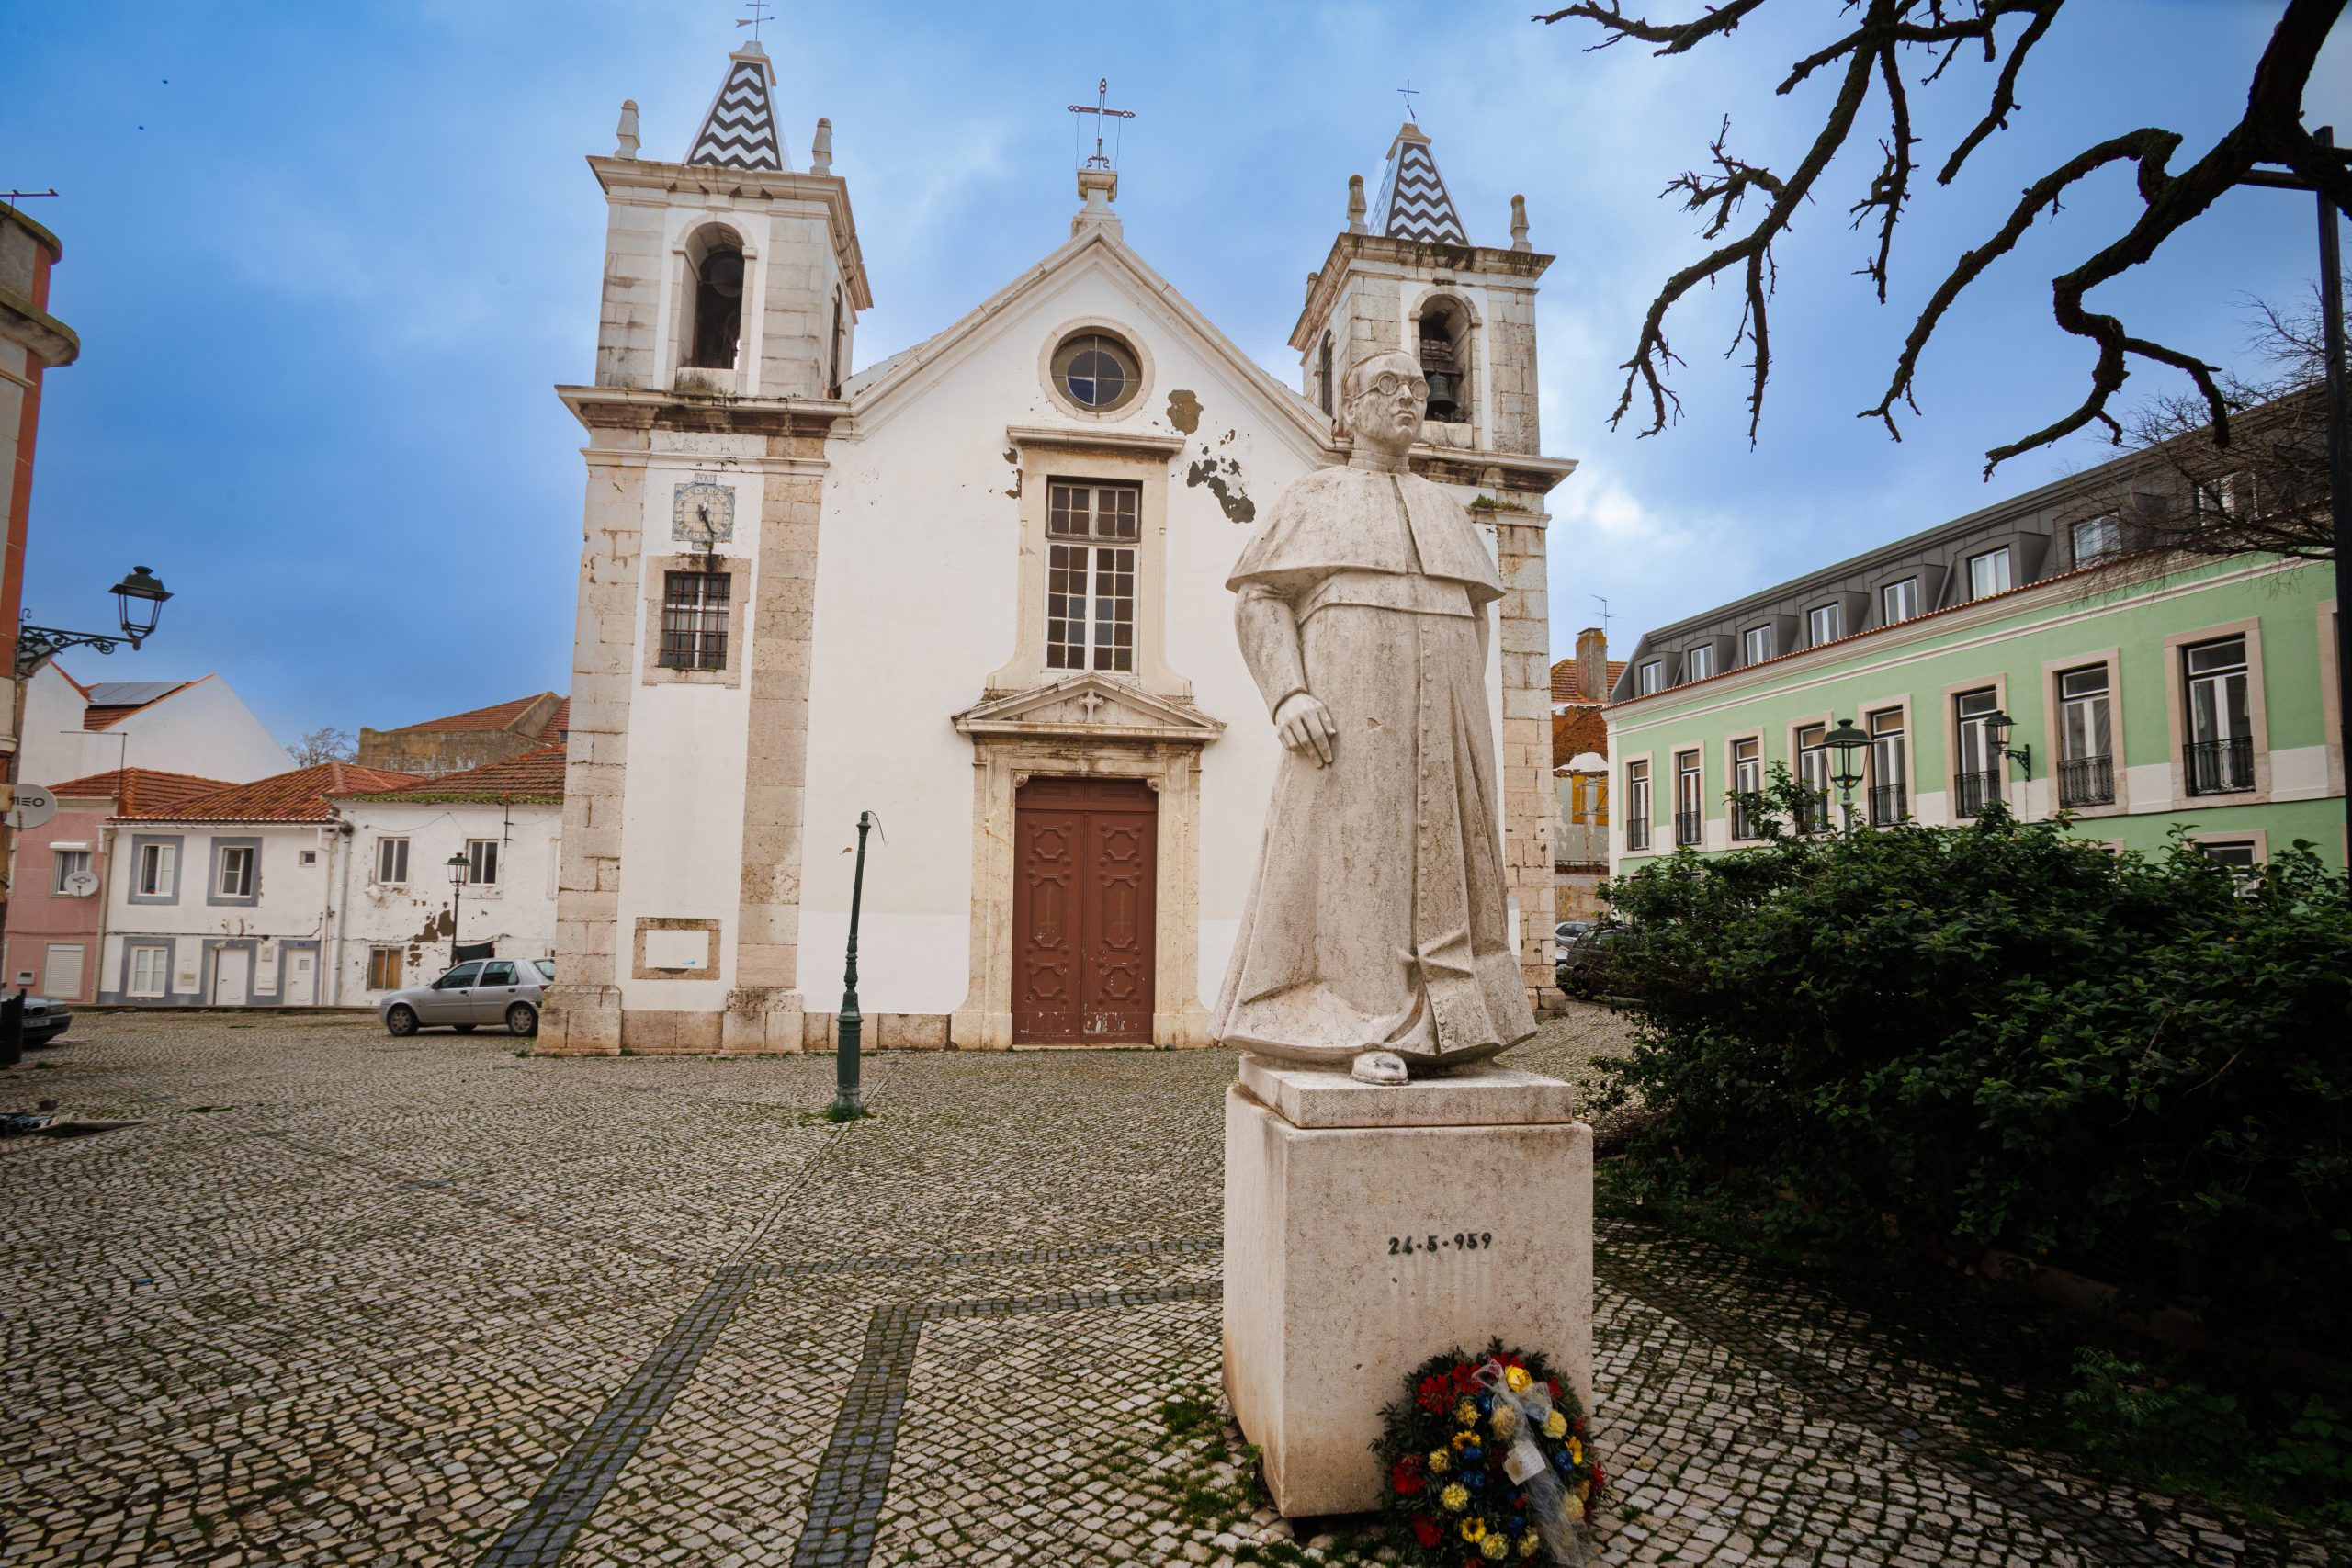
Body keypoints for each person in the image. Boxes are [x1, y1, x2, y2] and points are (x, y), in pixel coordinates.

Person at [1214, 349, 1536, 1083]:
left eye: (1419, 388)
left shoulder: (1444, 509)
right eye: (1385, 387)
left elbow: (1475, 614)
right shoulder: (1315, 498)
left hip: (1444, 713)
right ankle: (1364, 1020)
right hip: (1348, 710)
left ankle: (1452, 1022)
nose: (1408, 399)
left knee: (1448, 860)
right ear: (1349, 412)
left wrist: (1458, 696)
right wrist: (1288, 692)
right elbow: (1260, 598)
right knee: (1358, 858)